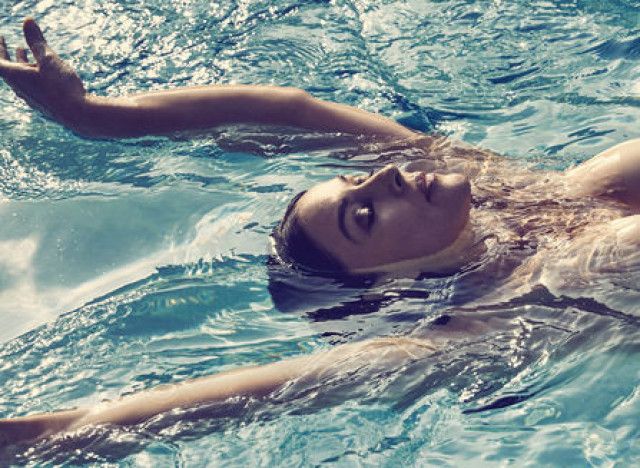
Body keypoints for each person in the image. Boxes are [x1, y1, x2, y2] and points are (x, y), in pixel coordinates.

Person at [1, 18, 639, 445]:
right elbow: (242, 395)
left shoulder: (502, 193)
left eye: (358, 183)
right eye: (364, 216)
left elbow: (287, 113)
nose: (386, 176)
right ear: (393, 283)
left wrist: (97, 118)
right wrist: (44, 435)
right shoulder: (499, 320)